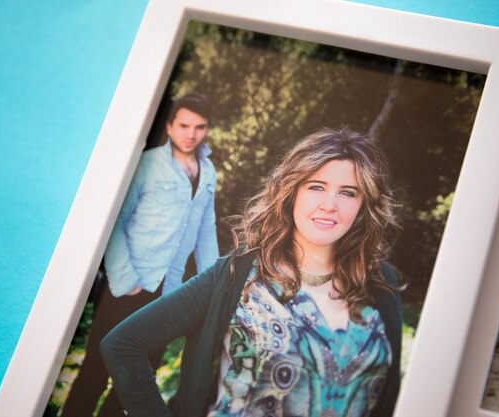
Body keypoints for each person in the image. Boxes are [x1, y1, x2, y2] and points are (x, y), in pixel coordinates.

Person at [100, 127, 404, 417]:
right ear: (291, 192)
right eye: (316, 187)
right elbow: (124, 345)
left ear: (364, 205)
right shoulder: (237, 274)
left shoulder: (379, 283)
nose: (330, 204)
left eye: (348, 193)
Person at [60, 93, 220, 417]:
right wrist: (126, 280)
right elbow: (114, 223)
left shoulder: (208, 171)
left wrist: (212, 286)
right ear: (170, 126)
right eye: (184, 125)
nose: (191, 134)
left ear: (206, 130)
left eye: (199, 127)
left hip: (167, 294)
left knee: (137, 380)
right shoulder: (147, 164)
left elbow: (206, 230)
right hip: (128, 286)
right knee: (95, 370)